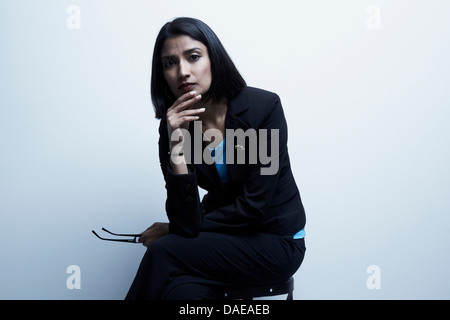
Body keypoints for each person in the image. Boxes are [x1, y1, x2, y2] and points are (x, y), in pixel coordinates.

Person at [125, 17, 306, 300]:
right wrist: (176, 145)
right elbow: (185, 218)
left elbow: (254, 207)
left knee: (164, 252)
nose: (183, 72)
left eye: (193, 57)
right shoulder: (174, 126)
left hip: (276, 242)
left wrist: (175, 230)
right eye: (170, 63)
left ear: (214, 59)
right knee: (179, 292)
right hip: (224, 240)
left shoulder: (264, 110)